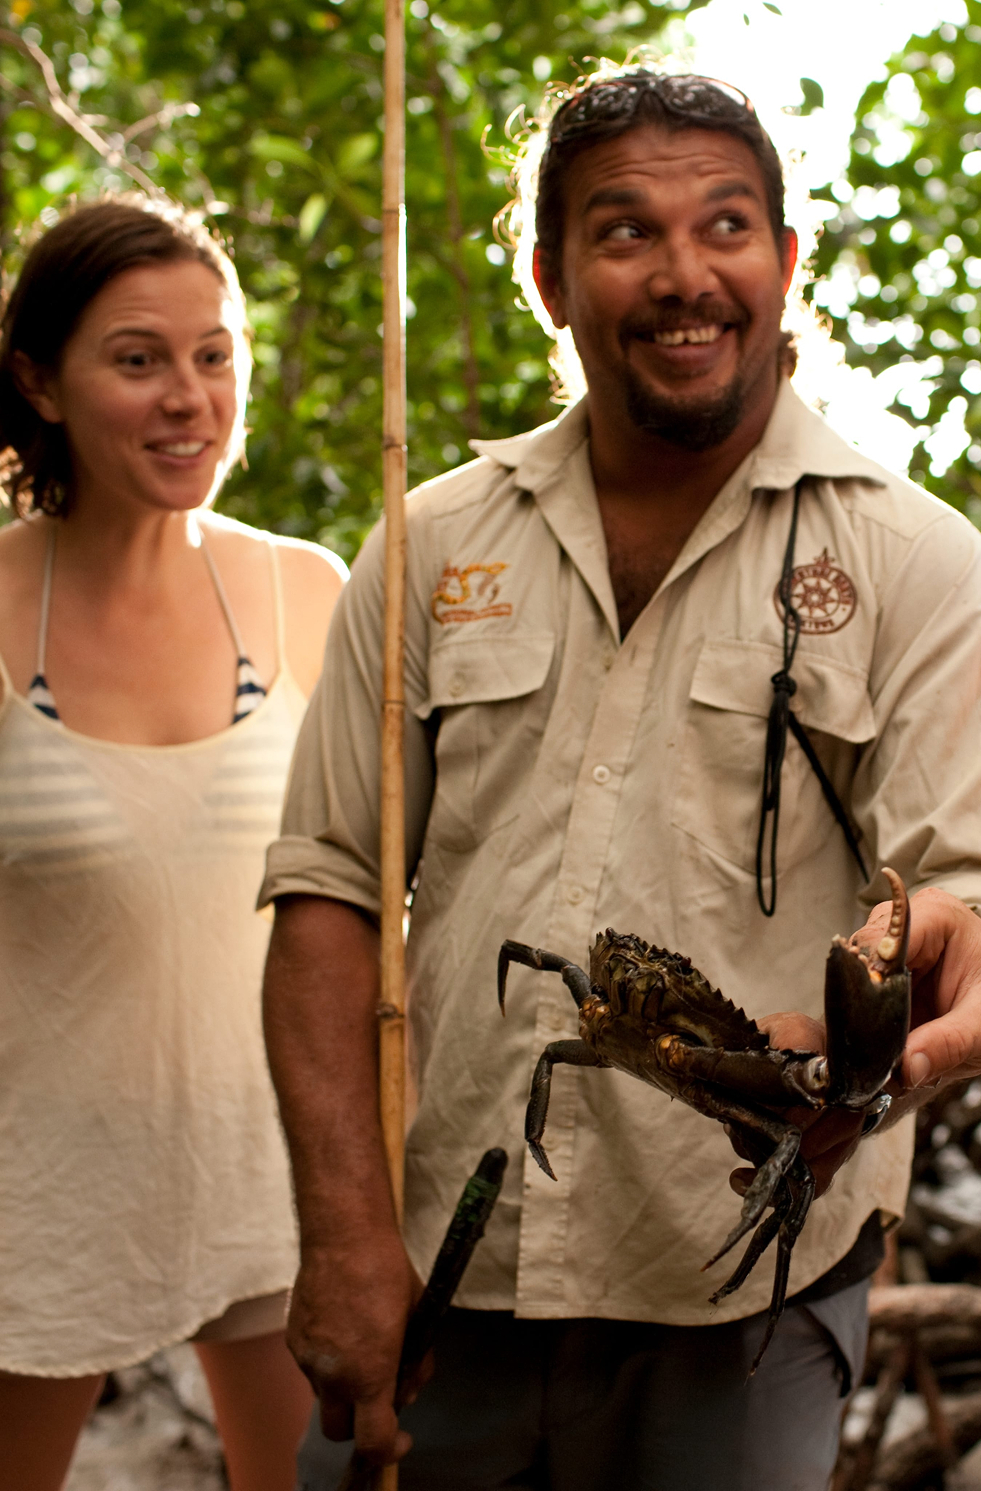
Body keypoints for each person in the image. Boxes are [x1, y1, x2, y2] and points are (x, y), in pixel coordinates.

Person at [260, 71, 981, 1491]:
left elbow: (959, 883)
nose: (682, 274)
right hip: (446, 1261)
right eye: (625, 229)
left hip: (750, 1280)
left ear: (787, 261)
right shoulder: (429, 543)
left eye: (725, 225)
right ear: (547, 278)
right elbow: (330, 889)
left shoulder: (918, 563)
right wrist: (342, 1237)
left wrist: (920, 1002)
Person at [0, 198, 346, 1491]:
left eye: (214, 354)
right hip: (32, 1191)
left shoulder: (303, 589)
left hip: (270, 1174)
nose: (188, 397)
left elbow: (382, 905)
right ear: (41, 381)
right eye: (138, 359)